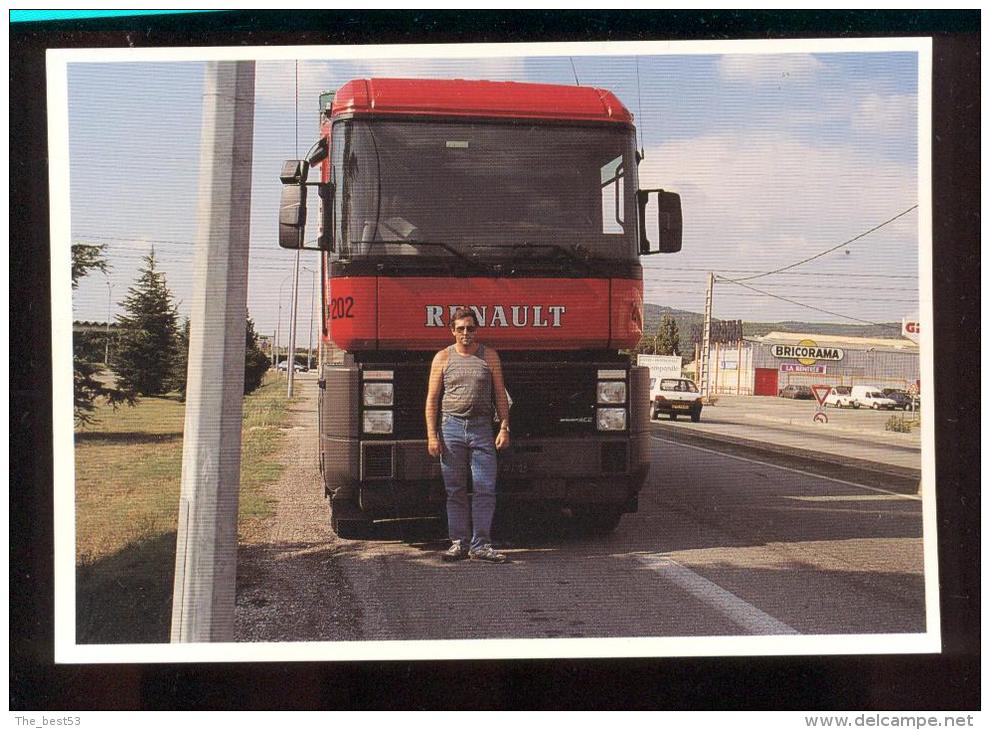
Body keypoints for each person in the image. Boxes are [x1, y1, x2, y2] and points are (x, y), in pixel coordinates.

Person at [425, 307, 511, 563]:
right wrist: (432, 435)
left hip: (482, 429)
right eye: (460, 328)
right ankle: (459, 544)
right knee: (455, 490)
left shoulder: (490, 357)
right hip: (450, 429)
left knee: (485, 488)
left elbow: (500, 397)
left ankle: (481, 545)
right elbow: (432, 400)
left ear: (476, 330)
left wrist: (504, 428)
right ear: (452, 331)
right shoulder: (442, 358)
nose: (465, 333)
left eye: (470, 328)